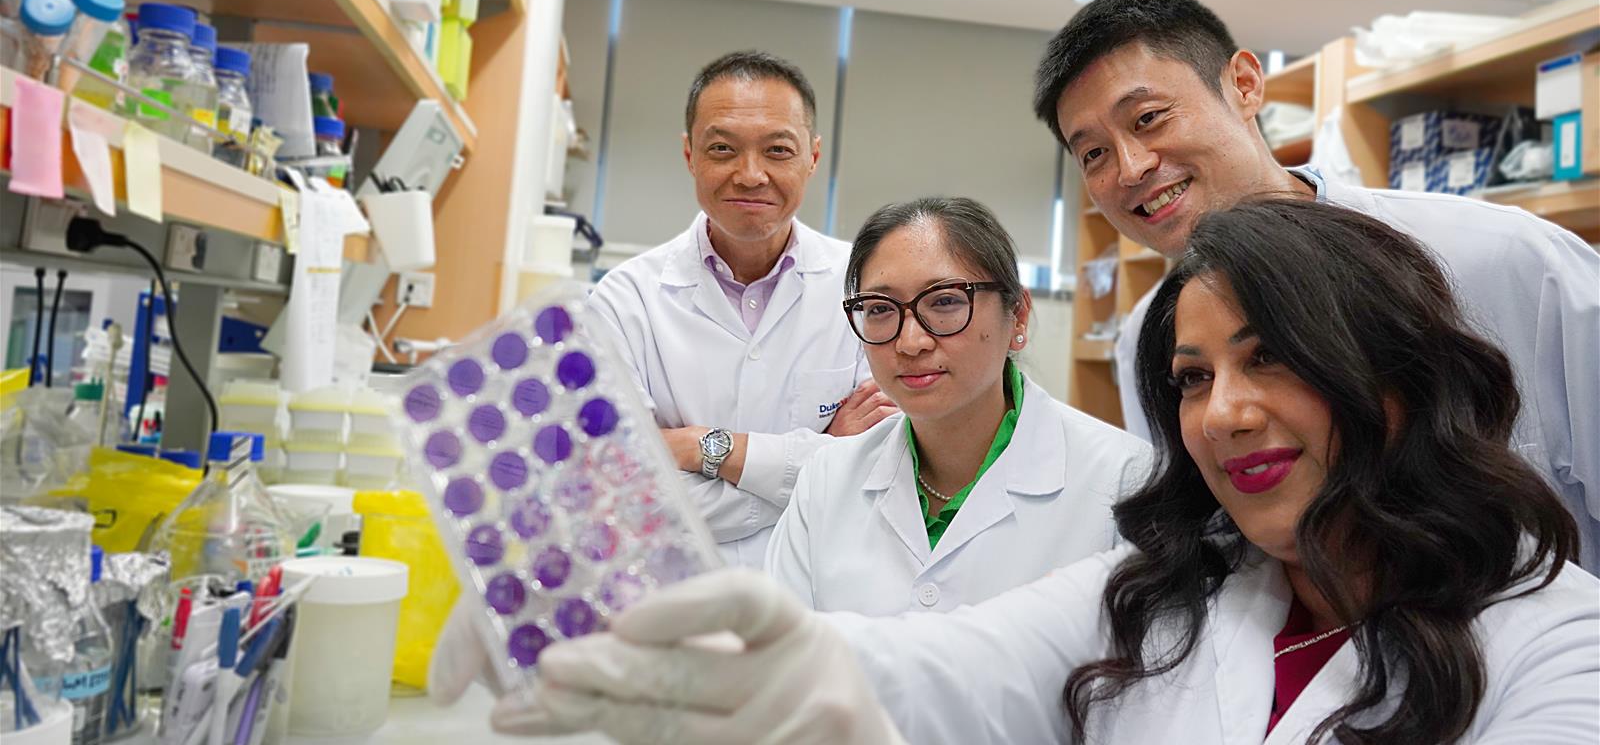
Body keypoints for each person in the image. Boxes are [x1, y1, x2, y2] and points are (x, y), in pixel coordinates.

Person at [462, 200, 1599, 745]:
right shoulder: (1178, 588)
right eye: (1193, 379)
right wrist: (670, 640)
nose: (1222, 412)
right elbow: (937, 660)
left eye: (1269, 360)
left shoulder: (1559, 645)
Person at [1032, 0, 1600, 572]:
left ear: (1245, 85)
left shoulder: (1505, 259)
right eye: (1093, 154)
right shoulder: (1153, 341)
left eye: (1149, 119)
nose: (1131, 168)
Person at [586, 50, 896, 567]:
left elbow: (886, 470)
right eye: (723, 149)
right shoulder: (623, 301)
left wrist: (698, 447)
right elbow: (617, 488)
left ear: (813, 157)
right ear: (690, 155)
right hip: (672, 594)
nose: (751, 175)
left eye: (777, 150)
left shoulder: (869, 288)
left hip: (818, 595)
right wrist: (818, 465)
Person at [765, 197, 1147, 613]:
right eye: (879, 309)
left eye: (945, 301)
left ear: (1017, 316)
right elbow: (778, 657)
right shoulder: (826, 480)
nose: (910, 342)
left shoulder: (1126, 482)